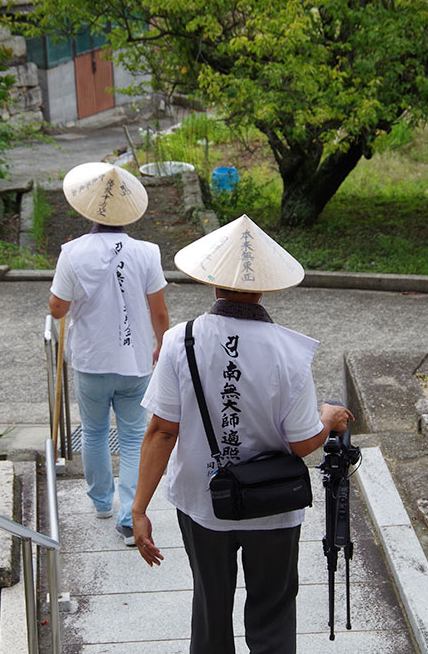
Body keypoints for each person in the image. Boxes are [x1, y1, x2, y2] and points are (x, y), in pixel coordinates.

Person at [132, 214, 354, 653]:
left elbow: (161, 432)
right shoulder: (288, 352)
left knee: (211, 609)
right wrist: (327, 419)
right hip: (273, 505)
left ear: (213, 282)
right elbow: (301, 442)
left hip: (202, 503)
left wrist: (139, 509)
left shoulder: (182, 340)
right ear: (264, 286)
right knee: (273, 611)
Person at [49, 162, 169, 546]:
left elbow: (57, 308)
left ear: (87, 210)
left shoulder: (72, 253)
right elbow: (160, 311)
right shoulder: (147, 253)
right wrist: (161, 344)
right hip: (136, 362)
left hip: (91, 362)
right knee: (135, 437)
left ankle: (102, 502)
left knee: (96, 432)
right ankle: (129, 515)